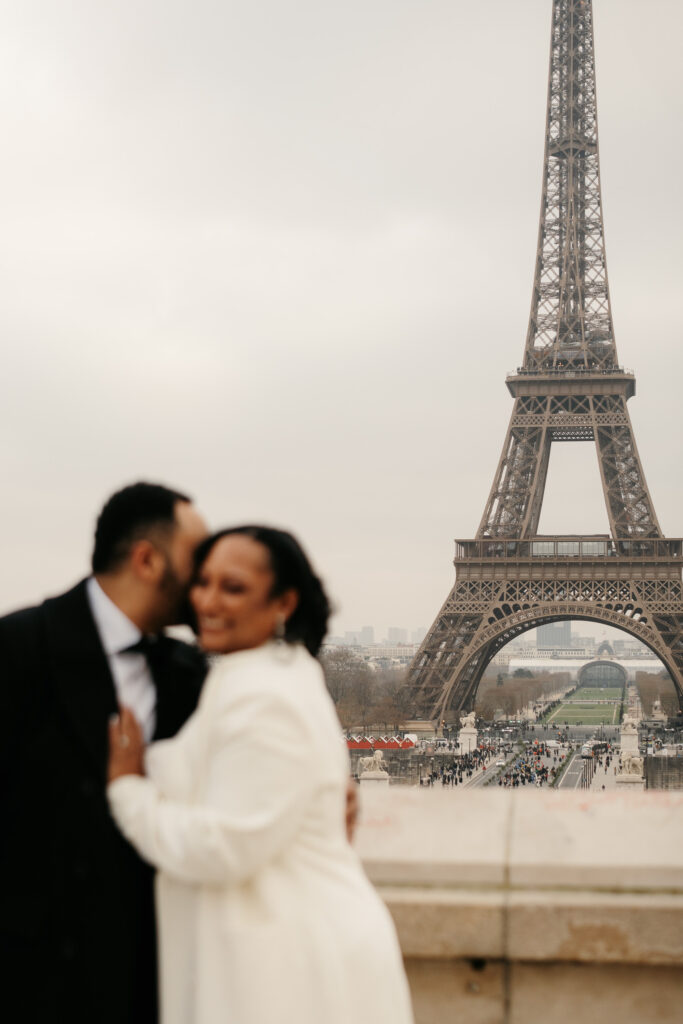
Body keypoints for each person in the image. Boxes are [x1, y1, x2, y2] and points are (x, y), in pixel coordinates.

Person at [107, 526, 414, 1024]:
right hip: (286, 949)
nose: (207, 599)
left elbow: (223, 846)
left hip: (290, 964)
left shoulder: (263, 694)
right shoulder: (267, 673)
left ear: (284, 602)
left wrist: (127, 790)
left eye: (233, 588)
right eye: (203, 582)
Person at [0, 482, 210, 1024]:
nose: (207, 576)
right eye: (197, 557)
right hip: (36, 982)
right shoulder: (15, 652)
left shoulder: (194, 674)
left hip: (154, 981)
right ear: (147, 559)